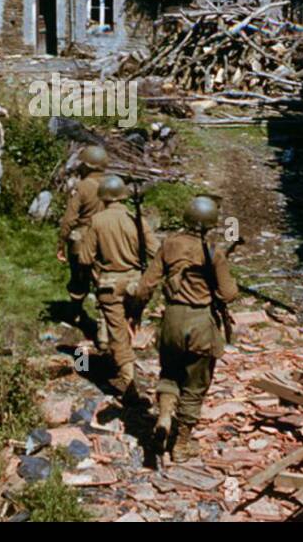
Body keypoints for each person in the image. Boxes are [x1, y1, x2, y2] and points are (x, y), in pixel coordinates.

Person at [132, 195, 238, 463]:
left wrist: (135, 312)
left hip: (172, 320)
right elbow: (228, 293)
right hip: (201, 324)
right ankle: (181, 444)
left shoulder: (168, 245)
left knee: (169, 374)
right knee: (195, 385)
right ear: (211, 223)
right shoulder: (213, 252)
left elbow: (146, 285)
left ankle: (165, 416)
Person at [78, 174, 159, 408]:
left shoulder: (97, 221)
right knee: (127, 323)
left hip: (109, 285)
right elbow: (157, 253)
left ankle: (129, 381)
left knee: (117, 333)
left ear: (103, 196)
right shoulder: (137, 220)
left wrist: (95, 272)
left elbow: (84, 258)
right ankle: (121, 358)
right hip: (136, 283)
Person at [57, 144, 109, 342]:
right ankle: (103, 331)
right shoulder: (112, 185)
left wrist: (61, 242)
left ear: (87, 166)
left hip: (83, 237)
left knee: (78, 278)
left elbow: (70, 218)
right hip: (105, 238)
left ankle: (76, 314)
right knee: (102, 282)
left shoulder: (82, 187)